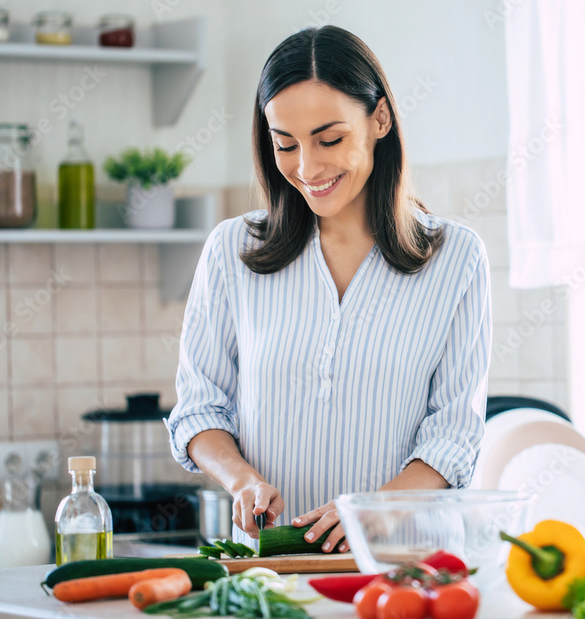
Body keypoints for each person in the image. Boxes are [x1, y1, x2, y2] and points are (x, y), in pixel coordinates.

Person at [165, 25, 491, 554]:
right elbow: (201, 408)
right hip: (271, 568)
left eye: (330, 139)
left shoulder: (456, 258)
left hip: (405, 569)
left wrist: (371, 512)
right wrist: (241, 480)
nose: (307, 167)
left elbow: (454, 434)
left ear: (379, 118)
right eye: (285, 145)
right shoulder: (231, 251)